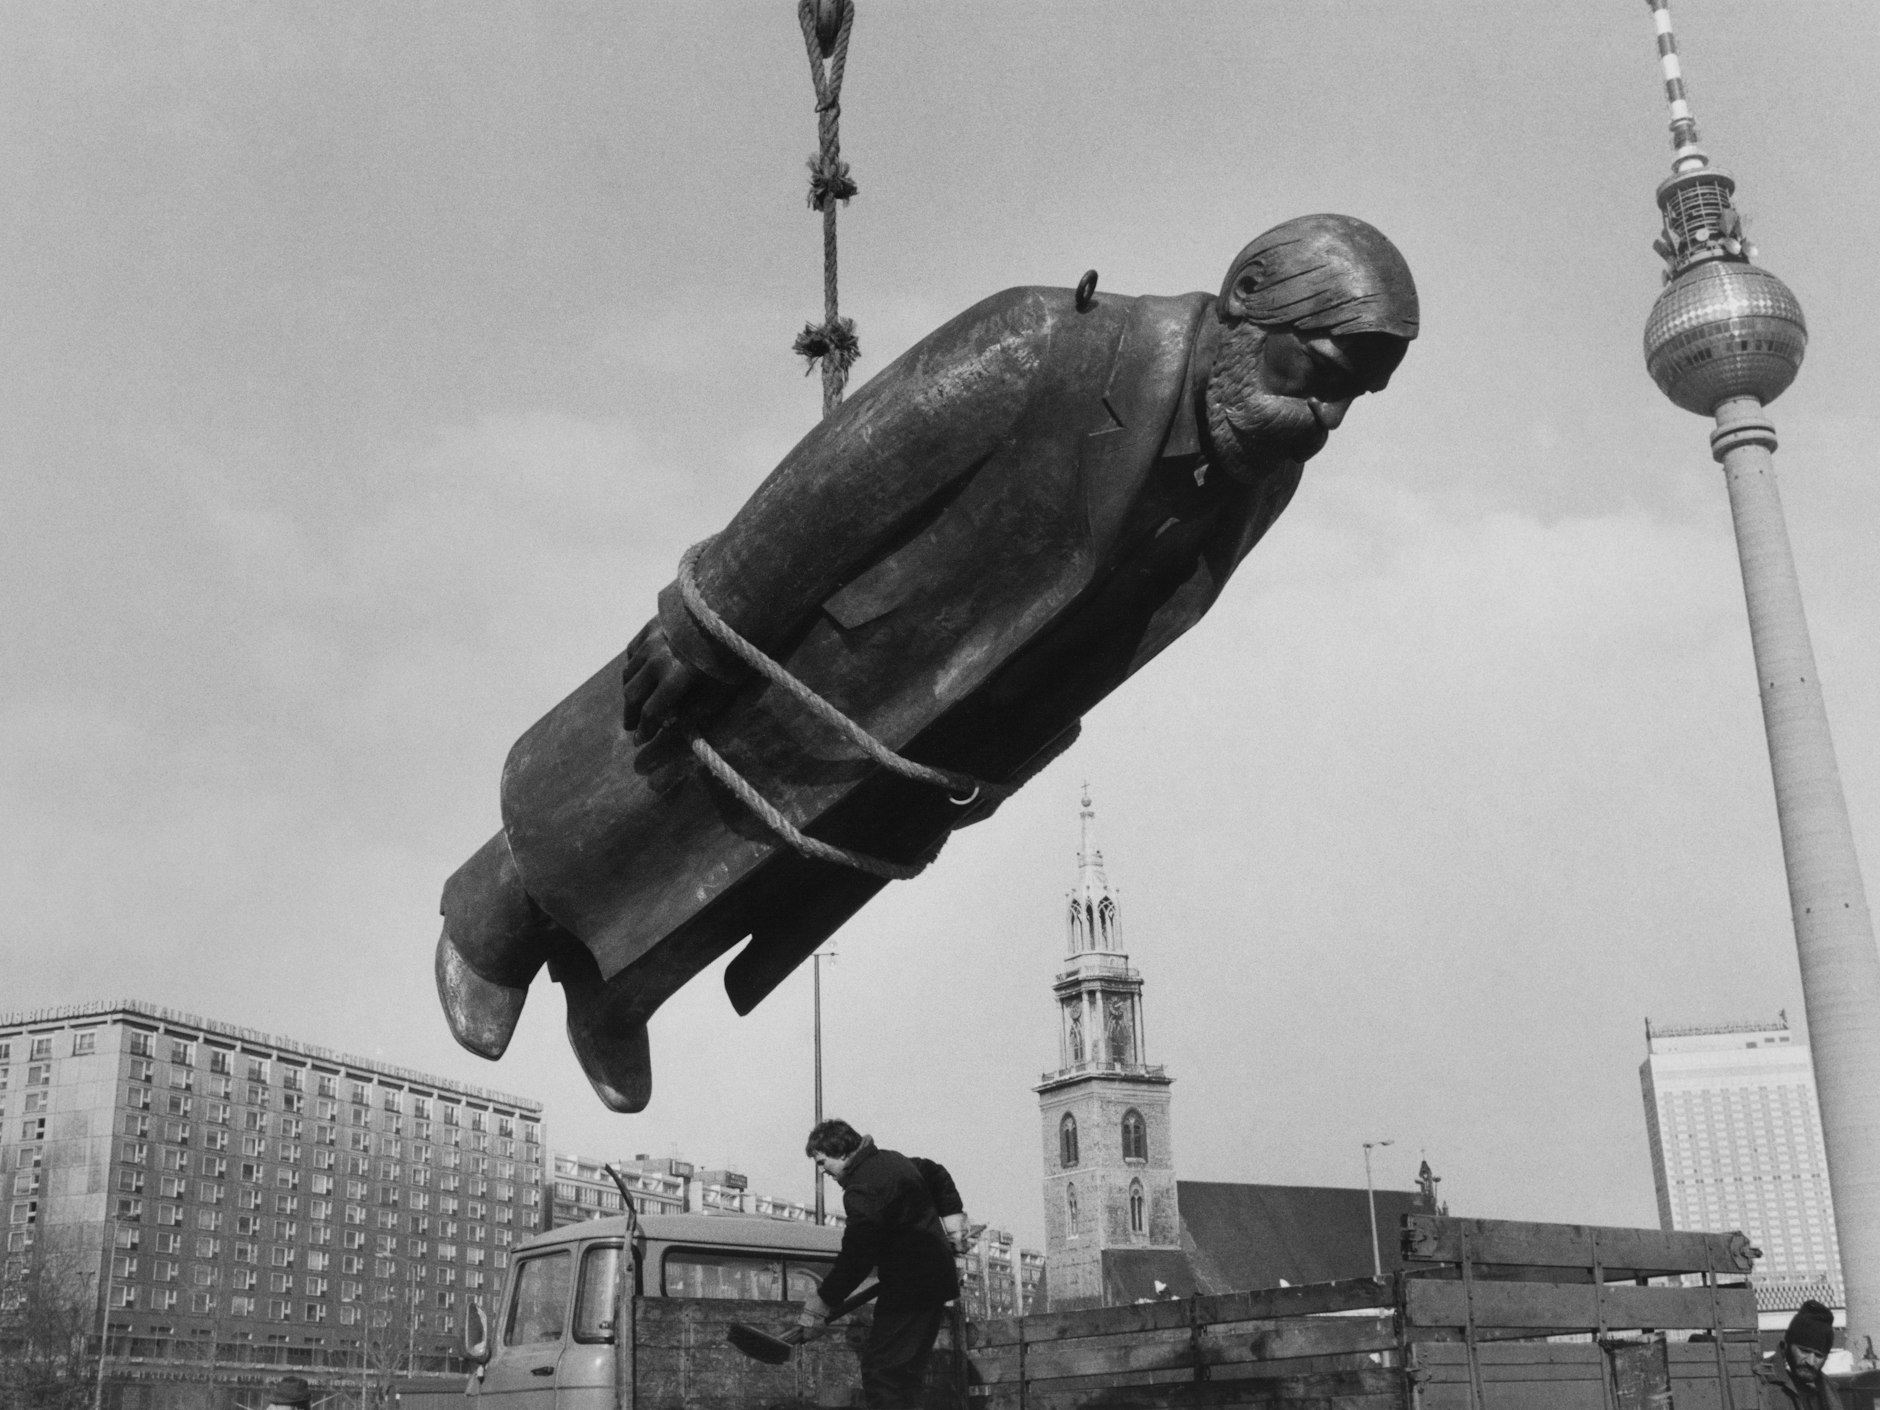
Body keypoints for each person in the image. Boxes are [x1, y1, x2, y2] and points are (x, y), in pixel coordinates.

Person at [437, 216, 1419, 1111]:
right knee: (649, 794)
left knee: (771, 868)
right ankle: (491, 926)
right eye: (1325, 370)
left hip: (950, 723)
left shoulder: (1258, 479)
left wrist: (1005, 762)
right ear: (1248, 295)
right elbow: (840, 476)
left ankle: (618, 992)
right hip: (841, 643)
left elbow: (1126, 639)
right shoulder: (1049, 341)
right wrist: (709, 615)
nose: (1330, 414)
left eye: (1356, 396)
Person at [800, 1119, 960, 1408]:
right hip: (932, 1283)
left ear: (843, 1152)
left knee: (881, 1371)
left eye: (823, 1162)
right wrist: (952, 1219)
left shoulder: (862, 1189)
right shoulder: (893, 1160)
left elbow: (858, 1254)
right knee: (904, 1373)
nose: (823, 1171)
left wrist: (824, 1300)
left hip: (909, 1288)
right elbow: (936, 1173)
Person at [1757, 1300, 1843, 1410]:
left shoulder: (1829, 1388)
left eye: (1818, 1355)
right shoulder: (1761, 1379)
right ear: (1787, 1346)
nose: (1811, 1362)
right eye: (1804, 1351)